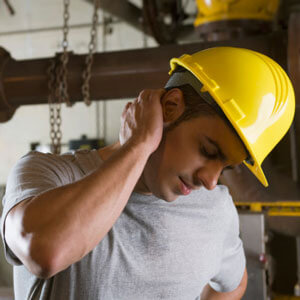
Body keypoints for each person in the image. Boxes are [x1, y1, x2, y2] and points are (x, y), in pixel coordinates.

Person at [0, 47, 295, 300]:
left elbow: (235, 283)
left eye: (226, 167)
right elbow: (46, 250)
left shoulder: (216, 211)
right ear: (169, 108)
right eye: (207, 151)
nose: (211, 180)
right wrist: (138, 145)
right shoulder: (47, 174)